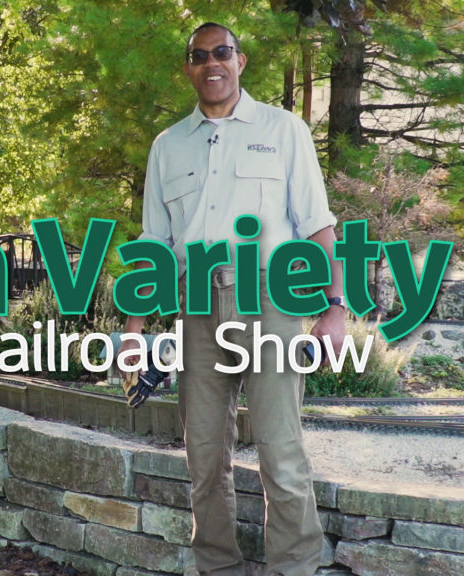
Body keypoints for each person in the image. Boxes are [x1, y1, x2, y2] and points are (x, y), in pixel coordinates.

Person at [120, 23, 346, 576]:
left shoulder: (283, 129)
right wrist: (134, 329)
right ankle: (217, 568)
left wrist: (335, 307)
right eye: (199, 56)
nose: (211, 63)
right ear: (188, 69)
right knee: (203, 456)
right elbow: (154, 246)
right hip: (195, 300)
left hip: (268, 295)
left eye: (222, 52)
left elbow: (318, 224)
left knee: (280, 450)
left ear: (240, 62)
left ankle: (294, 568)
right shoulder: (167, 145)